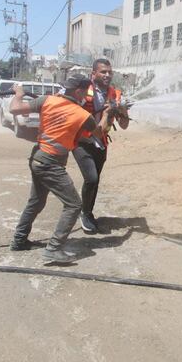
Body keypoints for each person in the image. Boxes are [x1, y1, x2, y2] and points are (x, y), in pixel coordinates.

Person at [9, 74, 112, 263]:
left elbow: (15, 108)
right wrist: (107, 113)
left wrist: (18, 93)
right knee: (74, 205)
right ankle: (53, 248)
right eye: (86, 91)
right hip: (50, 163)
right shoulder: (82, 115)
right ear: (80, 91)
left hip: (37, 158)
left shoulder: (47, 101)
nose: (87, 95)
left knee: (36, 202)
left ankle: (19, 241)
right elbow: (100, 132)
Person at [72, 58, 130, 234]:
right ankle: (84, 213)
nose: (107, 75)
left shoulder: (115, 94)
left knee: (95, 181)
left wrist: (123, 110)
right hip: (82, 141)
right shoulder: (83, 91)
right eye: (103, 72)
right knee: (91, 178)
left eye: (109, 72)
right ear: (93, 74)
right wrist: (105, 111)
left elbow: (124, 125)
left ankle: (88, 213)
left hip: (101, 143)